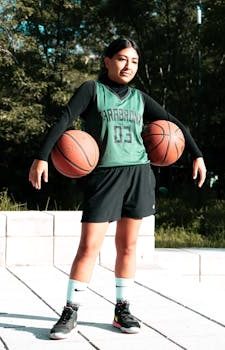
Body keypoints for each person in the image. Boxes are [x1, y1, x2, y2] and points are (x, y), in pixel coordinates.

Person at [29, 38, 206, 339]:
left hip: (138, 174)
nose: (128, 66)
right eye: (122, 59)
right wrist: (41, 156)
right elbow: (64, 120)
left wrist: (197, 154)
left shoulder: (139, 98)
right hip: (105, 177)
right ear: (107, 61)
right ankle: (71, 311)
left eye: (134, 61)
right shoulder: (91, 91)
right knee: (89, 247)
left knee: (128, 247)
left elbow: (174, 124)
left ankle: (122, 309)